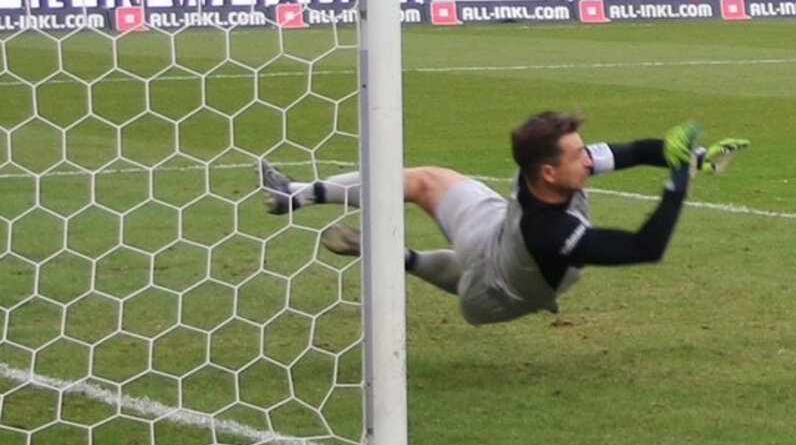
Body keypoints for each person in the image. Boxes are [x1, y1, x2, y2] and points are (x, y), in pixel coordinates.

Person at [259, 114, 749, 326]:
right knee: (432, 194)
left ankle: (387, 250)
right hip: (499, 262)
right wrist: (678, 181)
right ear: (549, 172)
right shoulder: (551, 231)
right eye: (579, 155)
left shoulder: (546, 172)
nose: (590, 160)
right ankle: (300, 197)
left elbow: (637, 152)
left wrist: (694, 157)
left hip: (501, 260)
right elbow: (647, 247)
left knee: (447, 222)